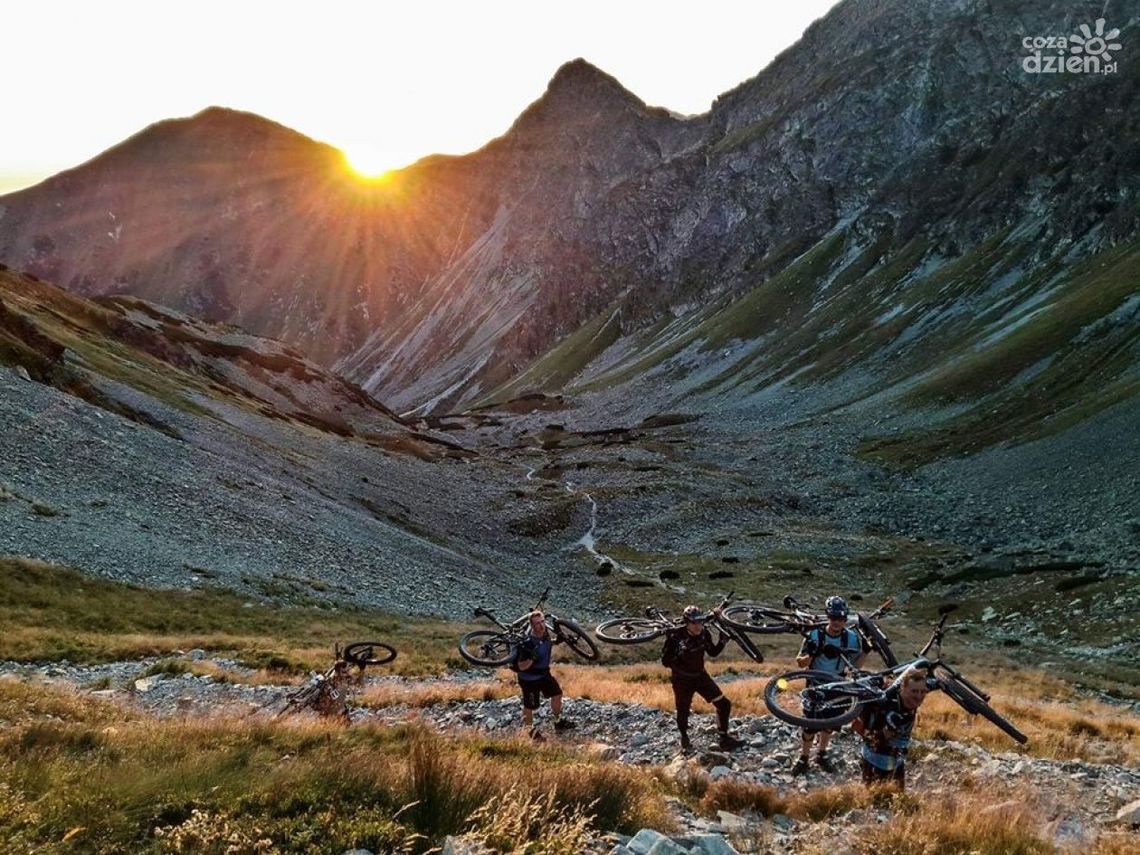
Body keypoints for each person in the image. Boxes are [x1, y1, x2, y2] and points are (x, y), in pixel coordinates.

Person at [791, 595, 871, 775]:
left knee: (830, 723)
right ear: (828, 616)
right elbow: (800, 663)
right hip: (815, 683)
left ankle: (822, 754)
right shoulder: (815, 634)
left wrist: (865, 651)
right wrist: (812, 654)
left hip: (838, 683)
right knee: (809, 724)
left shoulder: (851, 638)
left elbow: (855, 666)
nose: (837, 622)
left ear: (845, 618)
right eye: (833, 617)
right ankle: (803, 757)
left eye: (841, 618)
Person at [662, 604, 744, 752]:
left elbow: (712, 652)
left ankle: (724, 738)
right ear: (686, 622)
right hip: (682, 680)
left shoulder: (704, 633)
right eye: (694, 622)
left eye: (700, 621)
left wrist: (722, 641)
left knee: (724, 704)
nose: (698, 625)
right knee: (683, 710)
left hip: (700, 676)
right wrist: (679, 652)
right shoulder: (675, 637)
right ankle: (684, 737)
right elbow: (665, 662)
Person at [850, 665, 932, 789]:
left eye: (923, 691)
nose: (919, 696)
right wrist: (889, 730)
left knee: (898, 799)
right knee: (877, 802)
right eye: (914, 691)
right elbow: (873, 739)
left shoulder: (908, 700)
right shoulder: (888, 708)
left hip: (896, 760)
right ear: (902, 689)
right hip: (876, 760)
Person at [515, 610, 573, 739]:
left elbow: (547, 643)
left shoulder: (545, 633)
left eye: (542, 621)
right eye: (537, 623)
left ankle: (558, 722)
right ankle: (530, 731)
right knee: (530, 706)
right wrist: (531, 658)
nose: (541, 625)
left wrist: (558, 640)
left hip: (544, 674)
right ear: (532, 625)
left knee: (557, 694)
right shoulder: (527, 643)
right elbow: (521, 666)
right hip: (529, 679)